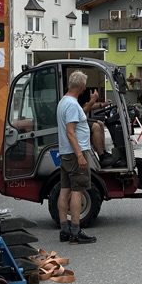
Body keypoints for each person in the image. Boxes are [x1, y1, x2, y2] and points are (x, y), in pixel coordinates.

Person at [56, 70, 98, 244]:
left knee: (64, 191)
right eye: (84, 85)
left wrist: (92, 102)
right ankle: (76, 231)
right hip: (75, 154)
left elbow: (78, 119)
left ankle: (64, 230)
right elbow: (70, 132)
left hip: (66, 154)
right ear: (81, 86)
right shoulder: (72, 105)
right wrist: (80, 155)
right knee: (77, 191)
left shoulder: (64, 102)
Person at [77, 86, 115, 168]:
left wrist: (102, 105)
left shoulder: (78, 97)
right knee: (95, 127)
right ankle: (101, 158)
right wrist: (92, 101)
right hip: (75, 122)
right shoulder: (72, 98)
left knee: (100, 124)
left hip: (80, 120)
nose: (84, 88)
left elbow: (85, 105)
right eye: (83, 86)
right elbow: (82, 113)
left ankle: (103, 152)